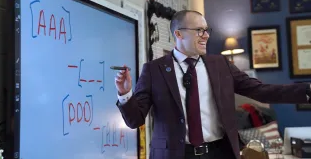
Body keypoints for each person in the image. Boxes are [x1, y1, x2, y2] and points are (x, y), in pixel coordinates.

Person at [114, 10, 311, 159]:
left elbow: (261, 90)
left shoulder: (220, 65)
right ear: (179, 34)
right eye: (199, 30)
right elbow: (135, 120)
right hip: (176, 154)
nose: (206, 35)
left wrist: (307, 90)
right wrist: (125, 94)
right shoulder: (154, 70)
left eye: (207, 30)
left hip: (219, 152)